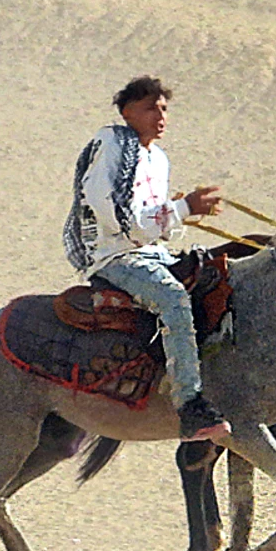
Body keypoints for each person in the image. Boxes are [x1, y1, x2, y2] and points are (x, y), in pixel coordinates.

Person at [64, 76, 230, 441]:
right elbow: (118, 217)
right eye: (150, 107)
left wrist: (181, 214)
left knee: (220, 279)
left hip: (153, 252)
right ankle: (189, 404)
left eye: (164, 108)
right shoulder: (112, 145)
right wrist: (183, 208)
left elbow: (157, 224)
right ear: (127, 112)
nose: (160, 115)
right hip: (114, 257)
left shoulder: (159, 158)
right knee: (172, 298)